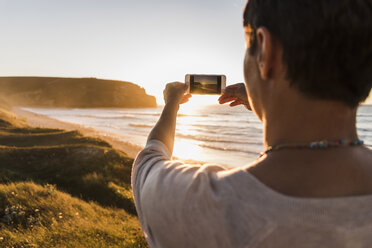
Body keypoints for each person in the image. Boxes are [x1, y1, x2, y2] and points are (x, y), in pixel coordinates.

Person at [131, 0, 372, 247]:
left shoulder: (205, 204)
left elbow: (149, 162)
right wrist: (265, 99)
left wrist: (171, 104)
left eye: (247, 48)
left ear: (265, 50)